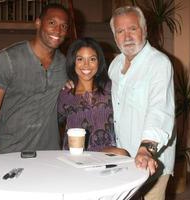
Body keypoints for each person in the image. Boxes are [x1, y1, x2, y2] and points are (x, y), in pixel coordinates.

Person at [0, 3, 70, 158]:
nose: (58, 30)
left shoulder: (65, 65)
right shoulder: (8, 59)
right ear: (38, 23)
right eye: (52, 23)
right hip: (9, 155)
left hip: (50, 157)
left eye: (63, 26)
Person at [109, 5, 175, 200]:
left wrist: (146, 149)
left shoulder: (158, 63)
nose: (127, 36)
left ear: (144, 31)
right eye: (120, 31)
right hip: (124, 156)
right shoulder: (115, 65)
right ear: (115, 37)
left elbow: (159, 111)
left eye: (133, 29)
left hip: (151, 159)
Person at [58, 37, 128, 155]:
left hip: (106, 153)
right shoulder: (66, 94)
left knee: (122, 154)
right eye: (80, 59)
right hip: (76, 156)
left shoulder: (110, 88)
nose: (86, 65)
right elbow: (52, 124)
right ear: (73, 62)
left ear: (99, 62)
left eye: (92, 59)